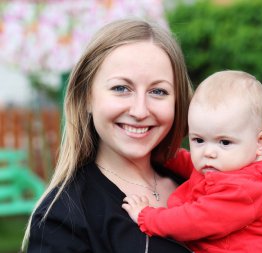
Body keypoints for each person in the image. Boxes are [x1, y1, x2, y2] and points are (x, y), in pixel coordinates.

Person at [22, 19, 194, 253]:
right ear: (86, 98)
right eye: (121, 88)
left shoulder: (198, 182)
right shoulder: (63, 218)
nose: (140, 111)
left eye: (158, 91)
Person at [123, 70, 262, 253]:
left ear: (261, 141)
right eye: (198, 140)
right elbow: (193, 166)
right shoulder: (234, 163)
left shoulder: (246, 189)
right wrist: (164, 153)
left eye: (224, 142)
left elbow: (195, 220)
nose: (208, 153)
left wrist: (147, 217)